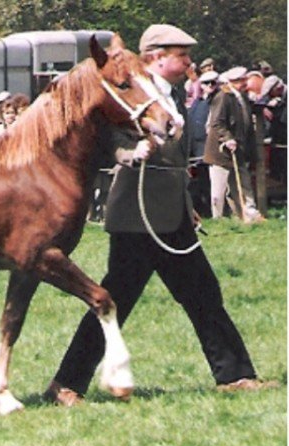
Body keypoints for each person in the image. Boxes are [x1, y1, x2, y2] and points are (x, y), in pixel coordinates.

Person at [44, 24, 274, 407]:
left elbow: (177, 161)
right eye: (181, 55)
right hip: (138, 218)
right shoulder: (134, 94)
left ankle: (235, 375)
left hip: (171, 216)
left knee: (203, 294)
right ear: (155, 57)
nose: (188, 62)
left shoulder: (173, 94)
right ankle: (66, 383)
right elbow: (111, 138)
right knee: (116, 300)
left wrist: (187, 207)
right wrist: (132, 151)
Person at [204, 67, 264, 223]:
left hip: (238, 150)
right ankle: (218, 220)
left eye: (244, 80)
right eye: (241, 81)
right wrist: (227, 138)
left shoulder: (241, 97)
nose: (245, 83)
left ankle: (248, 215)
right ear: (233, 82)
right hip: (221, 152)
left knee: (243, 185)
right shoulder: (223, 97)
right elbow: (216, 123)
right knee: (219, 190)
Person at [187, 70, 219, 216]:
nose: (210, 85)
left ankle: (216, 211)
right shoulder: (197, 103)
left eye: (213, 82)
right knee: (202, 181)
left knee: (214, 182)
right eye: (207, 83)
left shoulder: (218, 100)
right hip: (197, 149)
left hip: (212, 148)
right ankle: (204, 209)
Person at [260, 75, 287, 186]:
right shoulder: (274, 97)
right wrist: (264, 108)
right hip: (278, 137)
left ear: (278, 88)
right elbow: (261, 100)